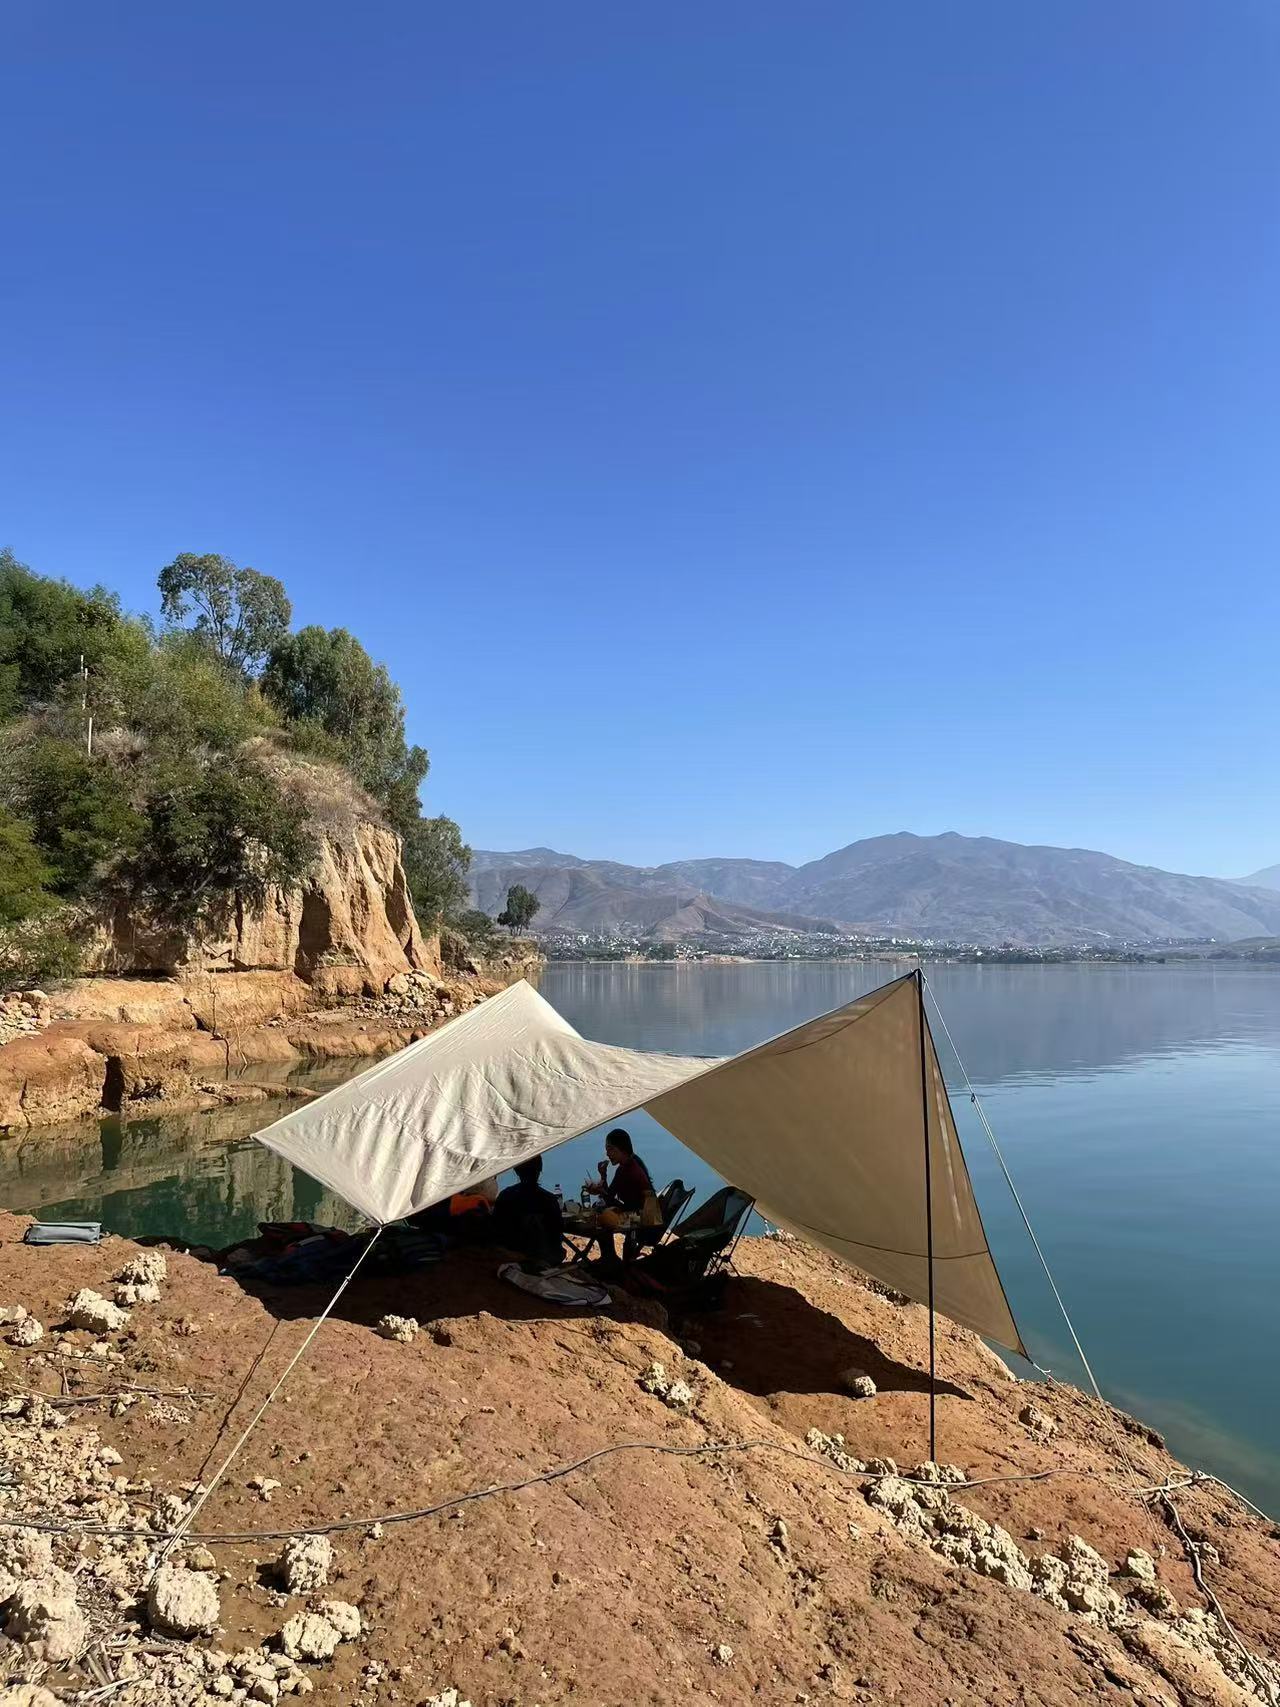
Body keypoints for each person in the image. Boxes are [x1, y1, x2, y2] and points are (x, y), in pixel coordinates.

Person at [492, 1156, 564, 1270]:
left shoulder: (505, 1196)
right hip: (544, 1260)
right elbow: (557, 1237)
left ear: (516, 1170)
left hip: (509, 1257)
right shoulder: (549, 1200)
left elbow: (496, 1233)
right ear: (540, 1169)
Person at [584, 1128, 655, 1215]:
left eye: (611, 1149)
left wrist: (599, 1191)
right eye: (607, 1150)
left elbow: (609, 1200)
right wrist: (603, 1175)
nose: (607, 1154)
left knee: (598, 1207)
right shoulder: (631, 1162)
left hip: (641, 1218)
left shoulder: (627, 1169)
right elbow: (609, 1194)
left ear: (622, 1149)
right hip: (637, 1214)